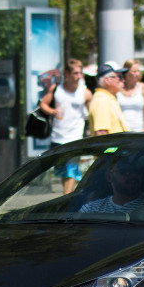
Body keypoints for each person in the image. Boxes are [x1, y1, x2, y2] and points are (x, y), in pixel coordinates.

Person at [39, 59, 92, 194]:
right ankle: (67, 197)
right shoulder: (57, 89)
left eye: (80, 73)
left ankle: (66, 200)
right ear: (66, 74)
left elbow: (92, 112)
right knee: (63, 172)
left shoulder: (85, 92)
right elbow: (43, 104)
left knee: (71, 171)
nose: (78, 76)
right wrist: (52, 111)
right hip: (58, 136)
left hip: (75, 137)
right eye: (75, 73)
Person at [78, 155, 144, 214]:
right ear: (109, 177)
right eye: (125, 172)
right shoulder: (91, 209)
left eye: (137, 171)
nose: (133, 176)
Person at [87, 62, 128, 135]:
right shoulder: (101, 101)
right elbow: (102, 135)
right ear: (107, 80)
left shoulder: (107, 98)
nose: (123, 80)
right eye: (120, 77)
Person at [117, 59, 144, 132]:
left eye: (138, 71)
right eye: (134, 71)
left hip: (139, 130)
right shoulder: (118, 89)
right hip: (121, 131)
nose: (137, 74)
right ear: (126, 72)